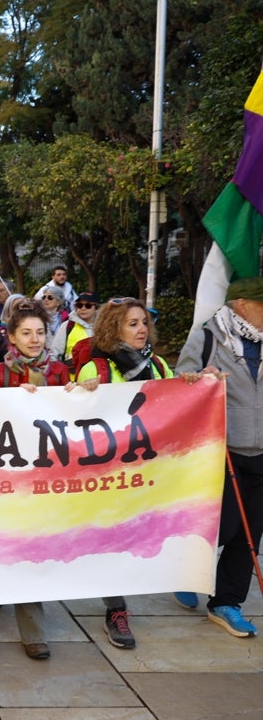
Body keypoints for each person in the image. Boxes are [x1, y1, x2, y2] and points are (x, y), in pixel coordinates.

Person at [73, 296, 176, 650]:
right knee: (112, 541)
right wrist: (80, 393)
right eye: (132, 324)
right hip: (108, 477)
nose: (142, 329)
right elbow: (77, 422)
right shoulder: (96, 369)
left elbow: (176, 409)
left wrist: (197, 386)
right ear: (113, 328)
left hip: (148, 472)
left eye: (144, 322)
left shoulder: (160, 366)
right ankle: (117, 610)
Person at [0, 299, 73, 659]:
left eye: (40, 332)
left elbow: (76, 413)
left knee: (33, 546)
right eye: (27, 333)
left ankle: (28, 622)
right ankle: (22, 614)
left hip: (50, 474)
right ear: (12, 337)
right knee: (16, 543)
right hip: (10, 475)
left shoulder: (61, 373)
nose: (34, 340)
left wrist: (87, 393)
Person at [175, 277, 263, 637]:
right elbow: (182, 379)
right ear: (242, 304)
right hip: (219, 450)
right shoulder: (209, 334)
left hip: (259, 450)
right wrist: (202, 378)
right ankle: (183, 572)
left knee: (249, 533)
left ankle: (227, 602)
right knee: (218, 526)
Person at [52, 290, 98, 369]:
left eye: (88, 305)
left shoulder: (103, 327)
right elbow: (55, 354)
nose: (83, 308)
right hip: (72, 378)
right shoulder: (67, 326)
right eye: (79, 305)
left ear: (96, 308)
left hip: (99, 377)